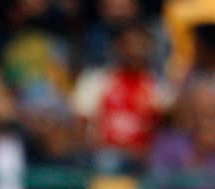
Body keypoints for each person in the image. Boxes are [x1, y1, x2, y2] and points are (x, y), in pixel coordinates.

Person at [71, 19, 171, 174]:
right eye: (129, 45)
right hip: (105, 156)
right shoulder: (96, 80)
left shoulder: (159, 86)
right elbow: (80, 128)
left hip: (145, 158)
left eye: (141, 45)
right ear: (117, 47)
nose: (135, 51)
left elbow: (165, 129)